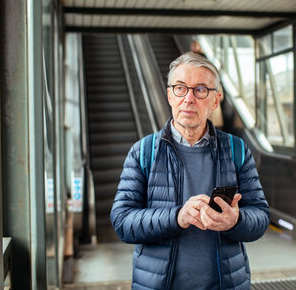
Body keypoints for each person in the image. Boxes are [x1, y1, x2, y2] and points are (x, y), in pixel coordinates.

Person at [111, 52, 270, 289]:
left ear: (215, 100)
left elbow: (261, 215)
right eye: (180, 88)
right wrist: (178, 216)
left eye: (201, 90)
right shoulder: (143, 152)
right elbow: (122, 221)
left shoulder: (236, 150)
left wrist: (235, 220)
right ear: (169, 95)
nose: (189, 98)